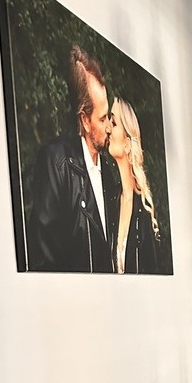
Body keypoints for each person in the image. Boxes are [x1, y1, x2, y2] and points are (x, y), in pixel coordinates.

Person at [28, 45, 120, 271]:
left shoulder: (109, 175)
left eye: (109, 116)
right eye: (102, 119)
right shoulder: (55, 164)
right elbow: (42, 260)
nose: (109, 127)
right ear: (85, 120)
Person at [108, 97, 161, 274]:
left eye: (114, 123)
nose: (108, 128)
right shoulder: (110, 200)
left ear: (127, 144)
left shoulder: (144, 212)